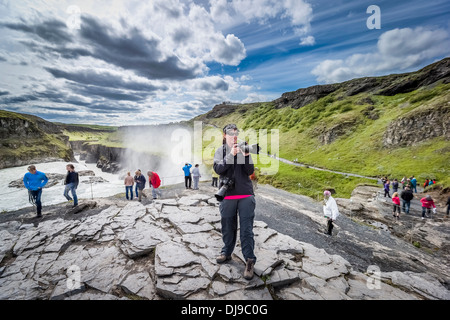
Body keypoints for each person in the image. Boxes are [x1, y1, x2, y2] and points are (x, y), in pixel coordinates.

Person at [213, 123, 256, 280]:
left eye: (236, 133)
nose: (234, 136)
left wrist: (245, 156)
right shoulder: (220, 151)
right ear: (225, 135)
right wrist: (231, 154)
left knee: (246, 230)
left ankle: (249, 260)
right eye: (231, 134)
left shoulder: (244, 148)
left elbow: (250, 171)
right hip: (228, 195)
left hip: (245, 194)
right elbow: (218, 169)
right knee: (227, 226)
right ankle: (226, 252)